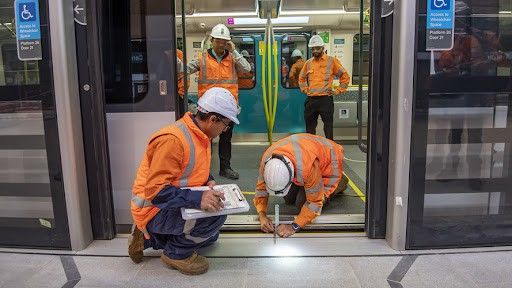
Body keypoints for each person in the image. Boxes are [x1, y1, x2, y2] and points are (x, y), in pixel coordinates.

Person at [128, 87, 240, 275]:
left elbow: (192, 171)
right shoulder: (173, 140)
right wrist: (199, 199)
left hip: (166, 205)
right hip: (153, 209)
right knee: (215, 217)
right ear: (213, 119)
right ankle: (175, 254)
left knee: (211, 237)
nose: (225, 129)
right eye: (225, 124)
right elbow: (156, 193)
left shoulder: (201, 136)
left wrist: (209, 181)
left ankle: (149, 239)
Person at [185, 24, 251, 180]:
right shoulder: (202, 58)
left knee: (226, 139)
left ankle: (225, 168)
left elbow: (247, 69)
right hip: (208, 108)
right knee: (204, 139)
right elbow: (184, 69)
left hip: (228, 108)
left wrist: (234, 50)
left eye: (225, 41)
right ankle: (203, 170)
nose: (221, 44)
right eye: (219, 40)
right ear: (212, 40)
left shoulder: (233, 58)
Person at [254, 133, 347, 237]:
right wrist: (262, 215)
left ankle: (341, 182)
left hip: (329, 160)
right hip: (305, 156)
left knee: (301, 204)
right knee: (289, 199)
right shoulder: (268, 162)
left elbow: (314, 203)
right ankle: (308, 183)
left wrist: (293, 226)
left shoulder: (307, 168)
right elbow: (261, 190)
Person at [299, 35, 350, 140]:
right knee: (310, 129)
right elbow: (301, 78)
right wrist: (305, 89)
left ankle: (330, 150)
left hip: (325, 100)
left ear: (323, 48)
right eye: (313, 49)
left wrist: (338, 91)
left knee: (328, 128)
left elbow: (344, 76)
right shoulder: (308, 63)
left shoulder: (331, 61)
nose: (315, 51)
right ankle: (312, 150)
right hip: (311, 100)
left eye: (317, 48)